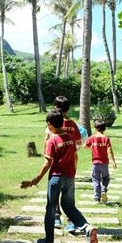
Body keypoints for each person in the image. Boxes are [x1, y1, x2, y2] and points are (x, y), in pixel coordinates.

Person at [21, 108, 98, 243]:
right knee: (69, 207)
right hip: (70, 177)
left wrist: (35, 180)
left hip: (56, 178)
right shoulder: (69, 137)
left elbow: (48, 163)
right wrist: (73, 173)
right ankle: (87, 228)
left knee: (50, 208)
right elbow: (75, 156)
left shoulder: (52, 141)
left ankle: (49, 242)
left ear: (49, 124)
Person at [43, 95, 82, 229]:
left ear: (55, 107)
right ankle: (71, 222)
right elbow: (78, 143)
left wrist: (46, 154)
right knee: (69, 198)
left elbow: (47, 139)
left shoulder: (54, 121)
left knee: (54, 195)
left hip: (55, 165)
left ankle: (56, 218)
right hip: (70, 165)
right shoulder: (71, 124)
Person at [85, 118, 117, 203]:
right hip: (104, 163)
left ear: (95, 128)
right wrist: (113, 161)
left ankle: (97, 198)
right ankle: (103, 189)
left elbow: (85, 145)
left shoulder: (92, 138)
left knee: (96, 179)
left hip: (95, 163)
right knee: (106, 178)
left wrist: (91, 146)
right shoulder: (106, 139)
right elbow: (109, 150)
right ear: (104, 128)